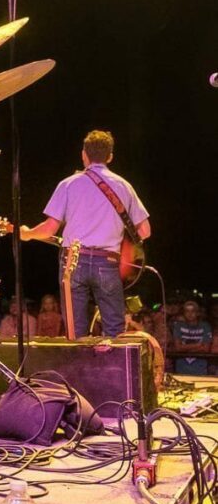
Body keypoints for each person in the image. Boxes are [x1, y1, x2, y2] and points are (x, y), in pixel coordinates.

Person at [20, 130, 150, 339]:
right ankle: (113, 370)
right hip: (107, 262)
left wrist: (27, 234)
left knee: (74, 330)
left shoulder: (69, 184)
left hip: (73, 260)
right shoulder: (124, 186)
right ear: (110, 157)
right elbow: (145, 231)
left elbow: (49, 229)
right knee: (115, 331)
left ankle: (76, 370)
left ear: (83, 154)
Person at [170, 300, 212, 376]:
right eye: (187, 311)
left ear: (198, 313)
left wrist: (184, 348)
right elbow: (177, 348)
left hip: (200, 369)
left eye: (193, 311)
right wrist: (198, 345)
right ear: (184, 313)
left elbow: (206, 348)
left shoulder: (205, 326)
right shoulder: (178, 326)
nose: (190, 314)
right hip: (181, 369)